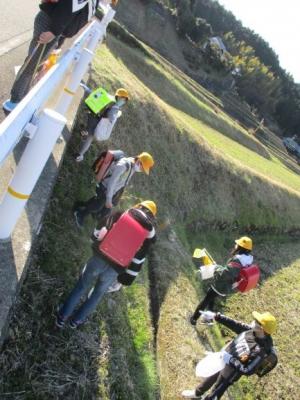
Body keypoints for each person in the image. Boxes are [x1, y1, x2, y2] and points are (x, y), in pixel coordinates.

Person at [56, 200, 157, 328]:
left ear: (138, 207)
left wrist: (94, 238)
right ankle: (76, 321)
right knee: (97, 295)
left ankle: (62, 316)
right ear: (152, 218)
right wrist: (124, 280)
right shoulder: (146, 238)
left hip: (100, 257)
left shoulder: (121, 214)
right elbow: (138, 261)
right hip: (115, 269)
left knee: (81, 286)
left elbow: (100, 227)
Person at [3, 0, 99, 113]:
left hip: (54, 25)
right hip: (51, 25)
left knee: (36, 64)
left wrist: (58, 34)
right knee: (32, 64)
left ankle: (21, 97)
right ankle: (15, 100)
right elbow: (68, 6)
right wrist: (54, 31)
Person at [182, 310, 277, 399]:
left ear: (262, 328)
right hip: (223, 357)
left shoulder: (261, 351)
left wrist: (230, 360)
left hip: (230, 373)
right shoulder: (251, 331)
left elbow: (248, 370)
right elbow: (235, 324)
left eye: (257, 321)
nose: (254, 321)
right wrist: (216, 316)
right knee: (212, 375)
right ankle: (197, 393)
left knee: (216, 390)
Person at [73, 151, 154, 227]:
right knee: (96, 206)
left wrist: (114, 196)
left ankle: (79, 205)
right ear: (139, 161)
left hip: (111, 191)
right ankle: (80, 214)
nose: (142, 170)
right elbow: (112, 182)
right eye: (142, 168)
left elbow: (121, 182)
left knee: (100, 205)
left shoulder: (132, 167)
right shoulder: (123, 165)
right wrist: (109, 198)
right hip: (105, 187)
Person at [190, 237, 255, 325]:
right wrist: (221, 268)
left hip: (222, 285)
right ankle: (208, 320)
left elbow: (227, 274)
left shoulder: (238, 260)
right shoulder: (247, 260)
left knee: (206, 299)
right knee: (211, 298)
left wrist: (216, 269)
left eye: (237, 244)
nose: (235, 245)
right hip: (229, 286)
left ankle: (194, 319)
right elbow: (231, 271)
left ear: (241, 248)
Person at [75, 86, 130, 162]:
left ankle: (82, 132)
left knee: (87, 133)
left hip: (91, 114)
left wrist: (86, 88)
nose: (123, 102)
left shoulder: (108, 97)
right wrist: (117, 115)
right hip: (96, 122)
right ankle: (79, 155)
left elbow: (94, 95)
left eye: (125, 100)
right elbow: (111, 117)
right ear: (119, 97)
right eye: (123, 99)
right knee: (89, 138)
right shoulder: (115, 107)